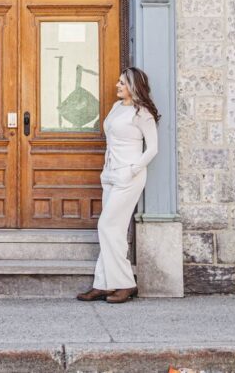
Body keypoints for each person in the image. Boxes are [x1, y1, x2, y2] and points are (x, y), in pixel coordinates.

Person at [77, 67, 160, 304]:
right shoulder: (116, 108)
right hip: (111, 174)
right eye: (118, 81)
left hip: (128, 177)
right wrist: (108, 170)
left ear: (133, 86)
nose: (117, 85)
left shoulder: (142, 113)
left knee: (107, 226)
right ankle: (103, 284)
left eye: (122, 83)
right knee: (113, 230)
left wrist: (133, 169)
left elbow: (153, 148)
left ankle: (125, 283)